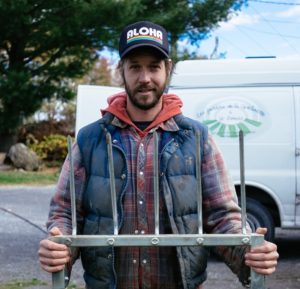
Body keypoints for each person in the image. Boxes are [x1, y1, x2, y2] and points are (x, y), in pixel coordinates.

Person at [39, 21, 278, 289]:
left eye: (154, 66)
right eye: (135, 67)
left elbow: (223, 217)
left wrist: (249, 253)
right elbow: (64, 212)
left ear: (168, 69)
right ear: (121, 71)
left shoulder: (196, 138)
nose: (145, 78)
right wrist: (60, 246)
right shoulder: (89, 140)